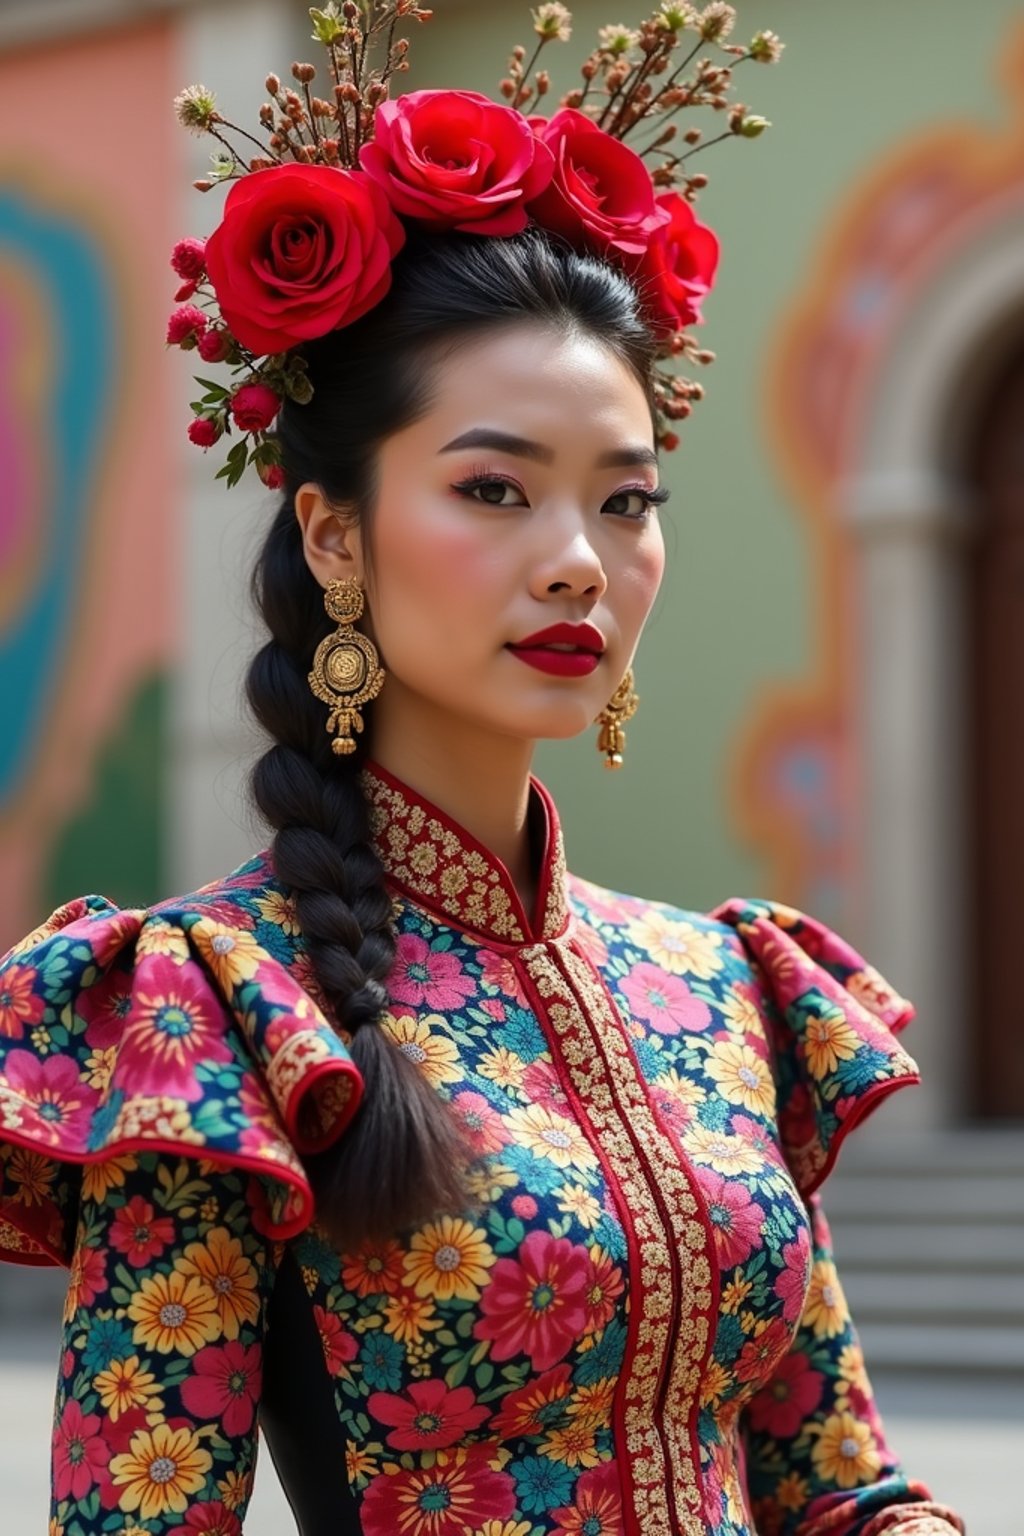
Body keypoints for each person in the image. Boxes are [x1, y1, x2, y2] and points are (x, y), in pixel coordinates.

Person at [0, 7, 966, 1536]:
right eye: (494, 489)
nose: (580, 562)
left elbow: (840, 1490)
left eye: (626, 499)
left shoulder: (720, 992)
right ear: (333, 535)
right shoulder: (223, 1010)